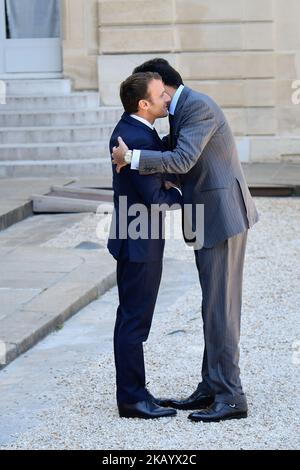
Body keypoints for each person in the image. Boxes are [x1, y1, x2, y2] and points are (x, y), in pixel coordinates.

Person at [112, 58, 259, 423]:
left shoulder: (198, 107)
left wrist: (131, 158)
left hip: (221, 217)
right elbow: (169, 150)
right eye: (154, 94)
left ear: (168, 86)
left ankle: (230, 397)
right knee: (213, 306)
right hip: (206, 218)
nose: (160, 98)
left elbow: (181, 159)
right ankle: (212, 386)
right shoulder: (180, 111)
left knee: (221, 309)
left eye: (160, 91)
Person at [108, 72, 182, 419]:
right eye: (160, 94)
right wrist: (186, 193)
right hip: (140, 240)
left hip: (135, 235)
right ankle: (133, 400)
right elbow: (157, 199)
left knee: (132, 318)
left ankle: (135, 392)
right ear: (144, 104)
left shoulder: (138, 131)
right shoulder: (137, 137)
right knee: (135, 321)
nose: (167, 98)